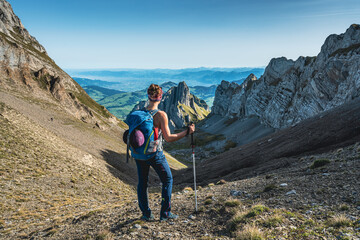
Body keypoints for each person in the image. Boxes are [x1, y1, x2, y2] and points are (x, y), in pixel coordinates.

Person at [135, 83, 195, 221]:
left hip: (140, 154)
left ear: (148, 96)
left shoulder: (141, 113)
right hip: (156, 154)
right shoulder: (161, 115)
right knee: (167, 180)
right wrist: (187, 132)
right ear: (160, 97)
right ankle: (165, 213)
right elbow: (168, 138)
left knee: (142, 183)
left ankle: (146, 214)